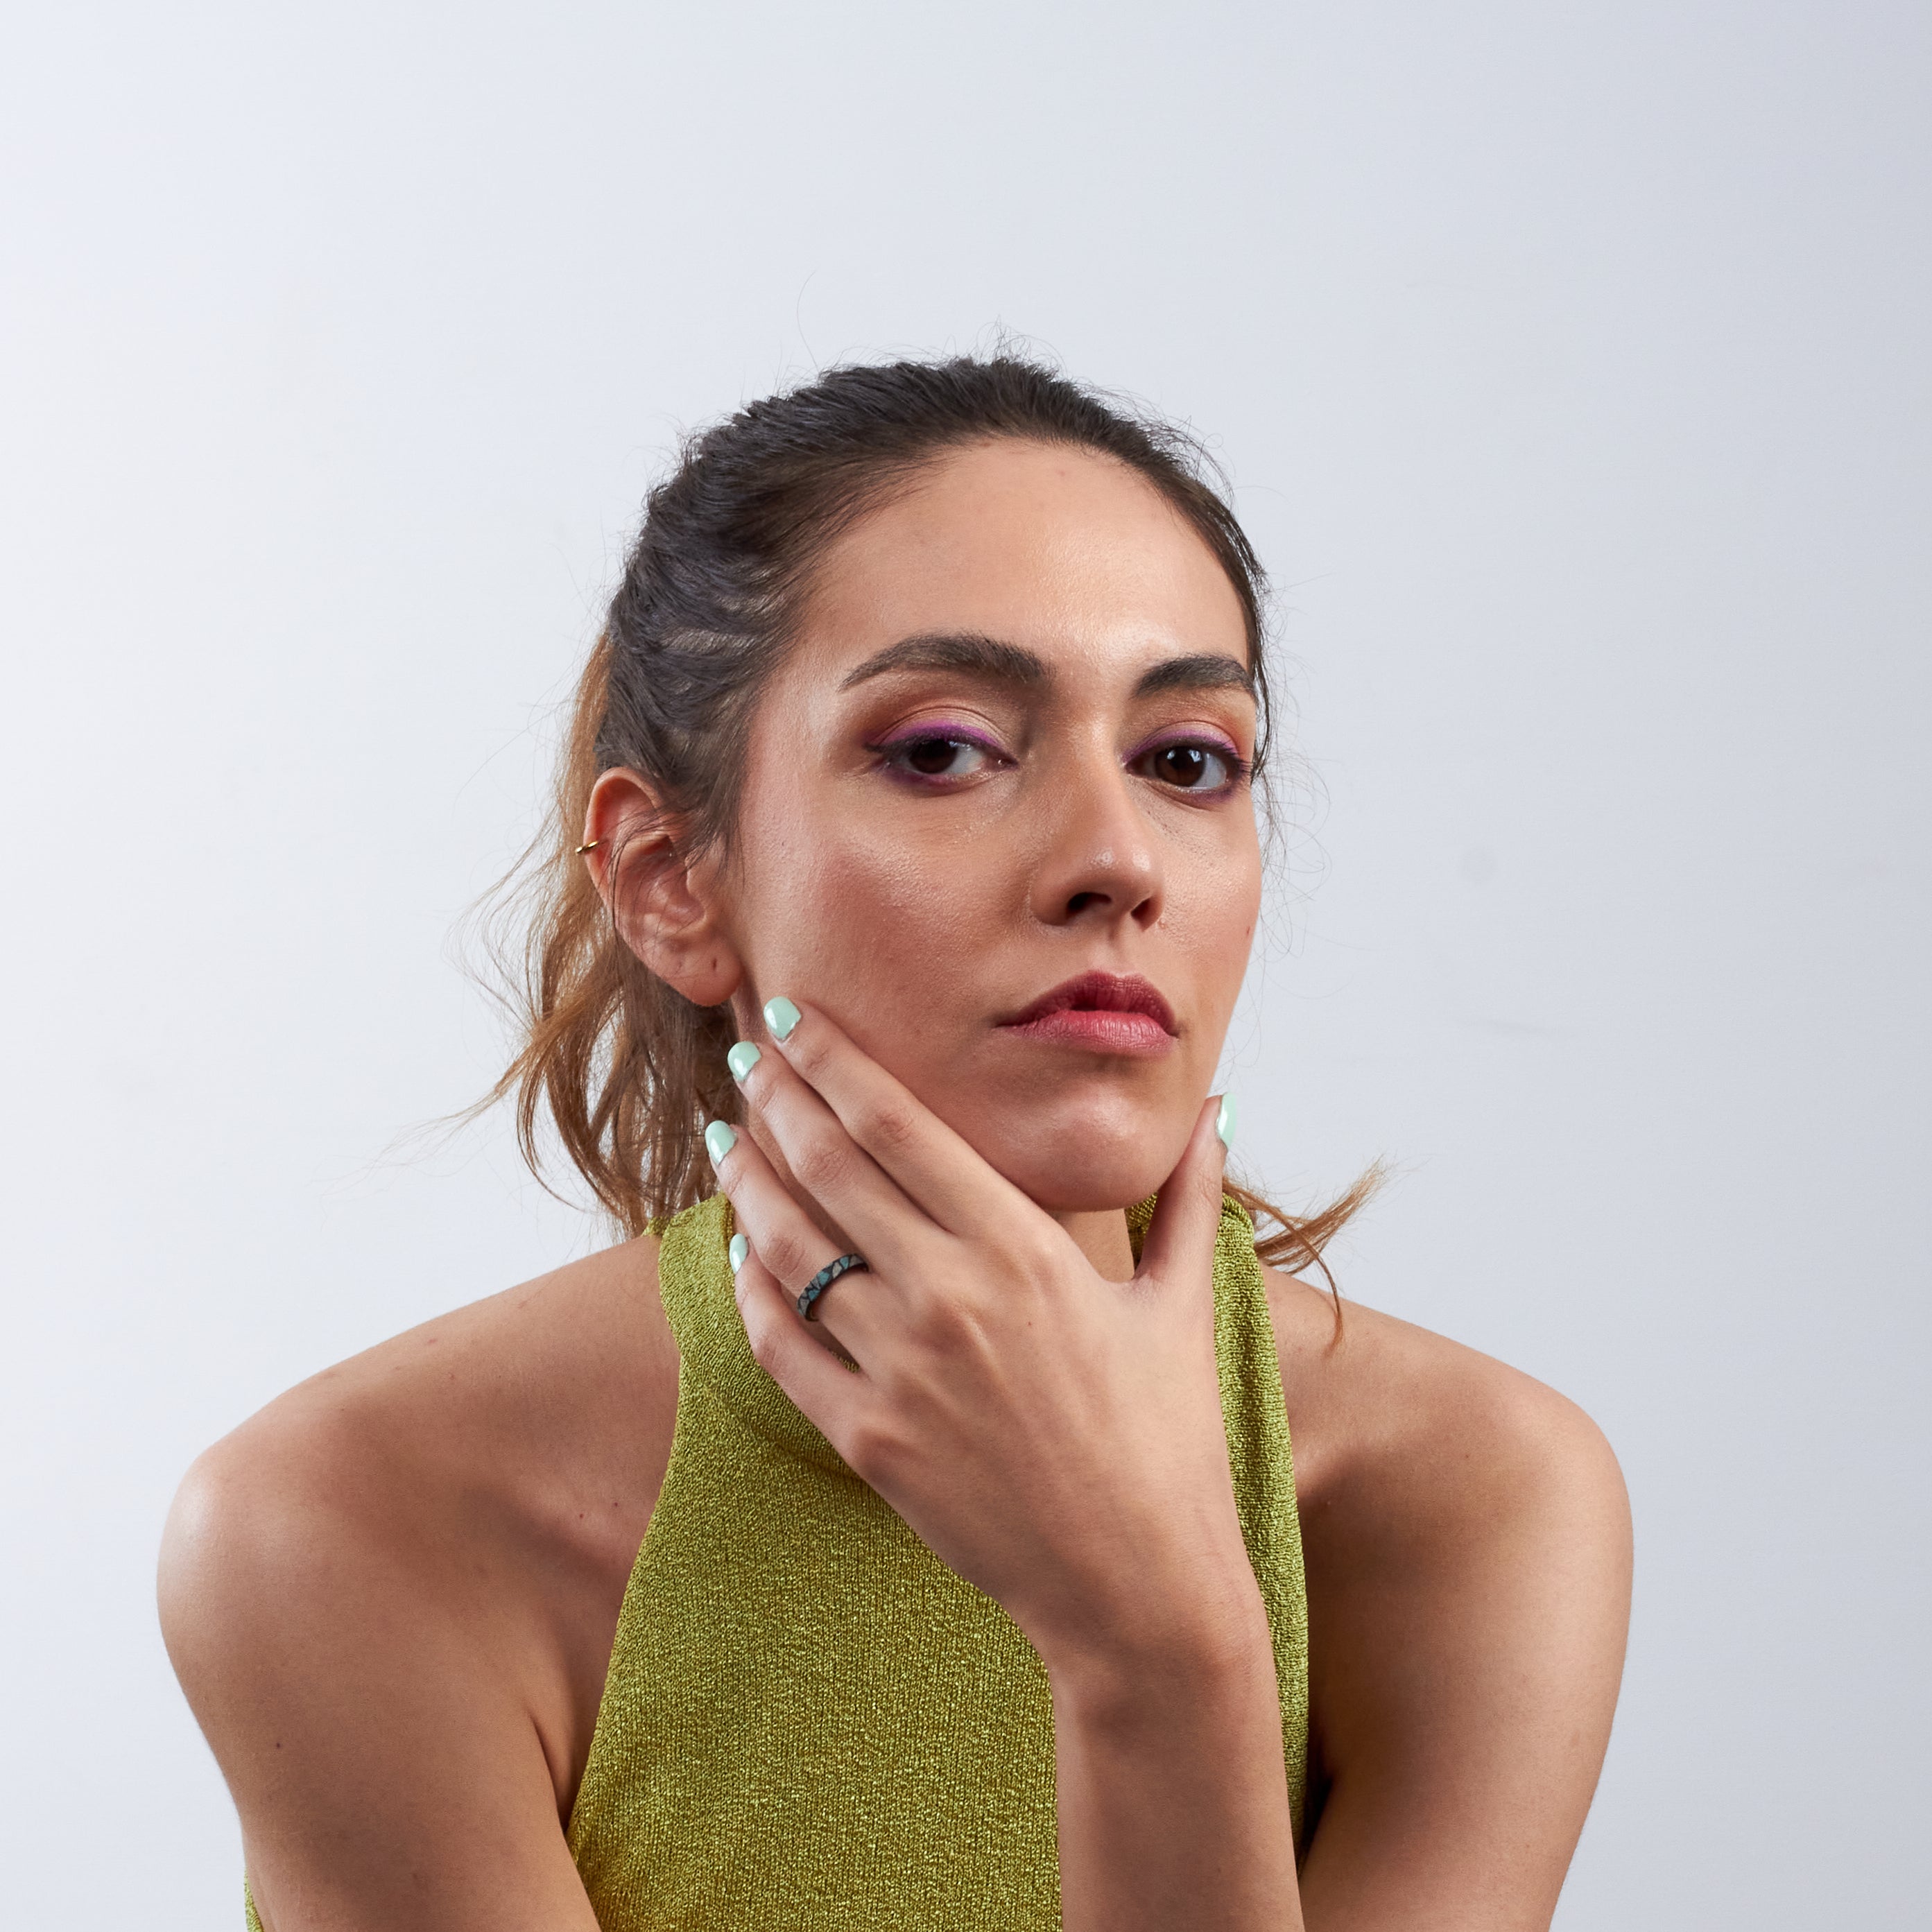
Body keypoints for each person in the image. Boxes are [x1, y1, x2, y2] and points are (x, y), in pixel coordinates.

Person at [159, 355, 1632, 1932]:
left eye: (1186, 760)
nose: (1116, 860)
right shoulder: (348, 1524)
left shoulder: (1471, 1496)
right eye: (941, 750)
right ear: (669, 876)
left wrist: (1161, 1642)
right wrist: (1154, 1641)